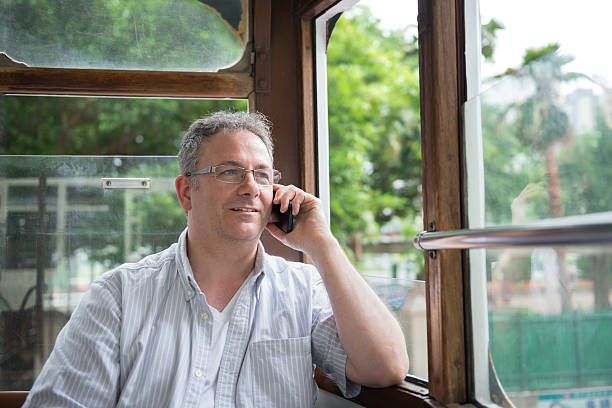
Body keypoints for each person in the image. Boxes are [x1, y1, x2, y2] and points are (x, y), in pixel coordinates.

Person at [23, 111, 409, 407]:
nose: (249, 188)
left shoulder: (302, 290)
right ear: (186, 193)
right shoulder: (119, 295)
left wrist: (322, 244)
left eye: (262, 175)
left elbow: (385, 366)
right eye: (229, 172)